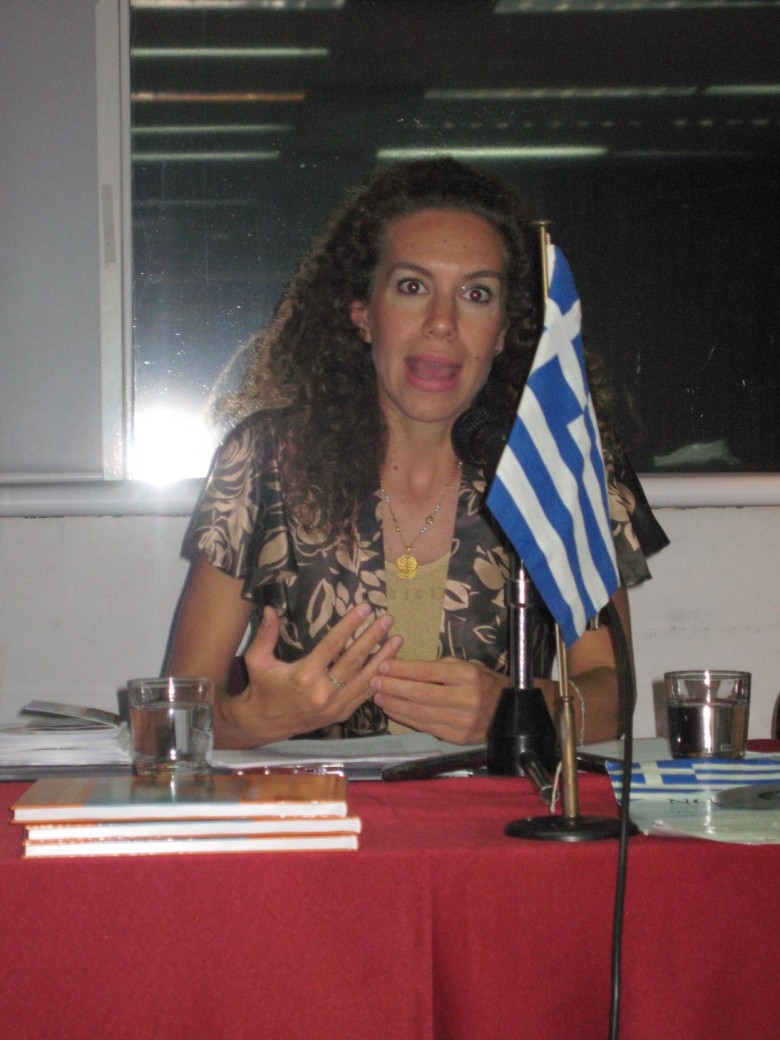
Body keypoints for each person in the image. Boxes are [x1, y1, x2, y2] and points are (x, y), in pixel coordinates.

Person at [165, 157, 664, 750]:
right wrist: (253, 720)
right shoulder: (267, 458)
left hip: (498, 805)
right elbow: (175, 711)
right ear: (362, 312)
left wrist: (520, 708)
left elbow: (613, 692)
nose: (442, 323)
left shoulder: (555, 460)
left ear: (505, 331)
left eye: (476, 294)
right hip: (320, 804)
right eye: (412, 287)